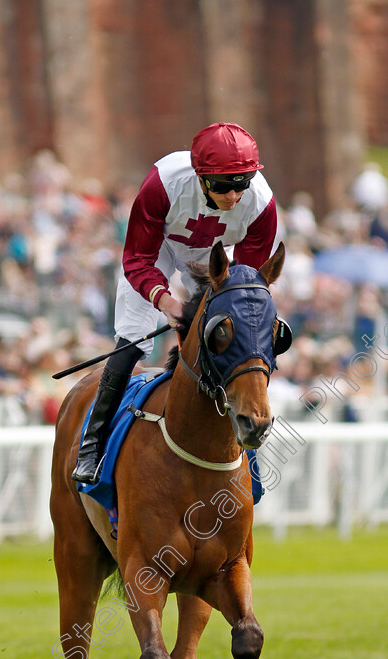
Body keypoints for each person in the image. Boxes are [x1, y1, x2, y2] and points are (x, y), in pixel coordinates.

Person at [72, 121, 278, 484]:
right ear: (200, 178)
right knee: (135, 334)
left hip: (218, 256)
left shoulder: (261, 206)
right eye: (222, 186)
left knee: (243, 337)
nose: (233, 197)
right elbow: (137, 260)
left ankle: (247, 453)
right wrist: (166, 302)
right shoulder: (162, 184)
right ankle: (93, 447)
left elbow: (246, 285)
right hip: (161, 250)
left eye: (241, 184)